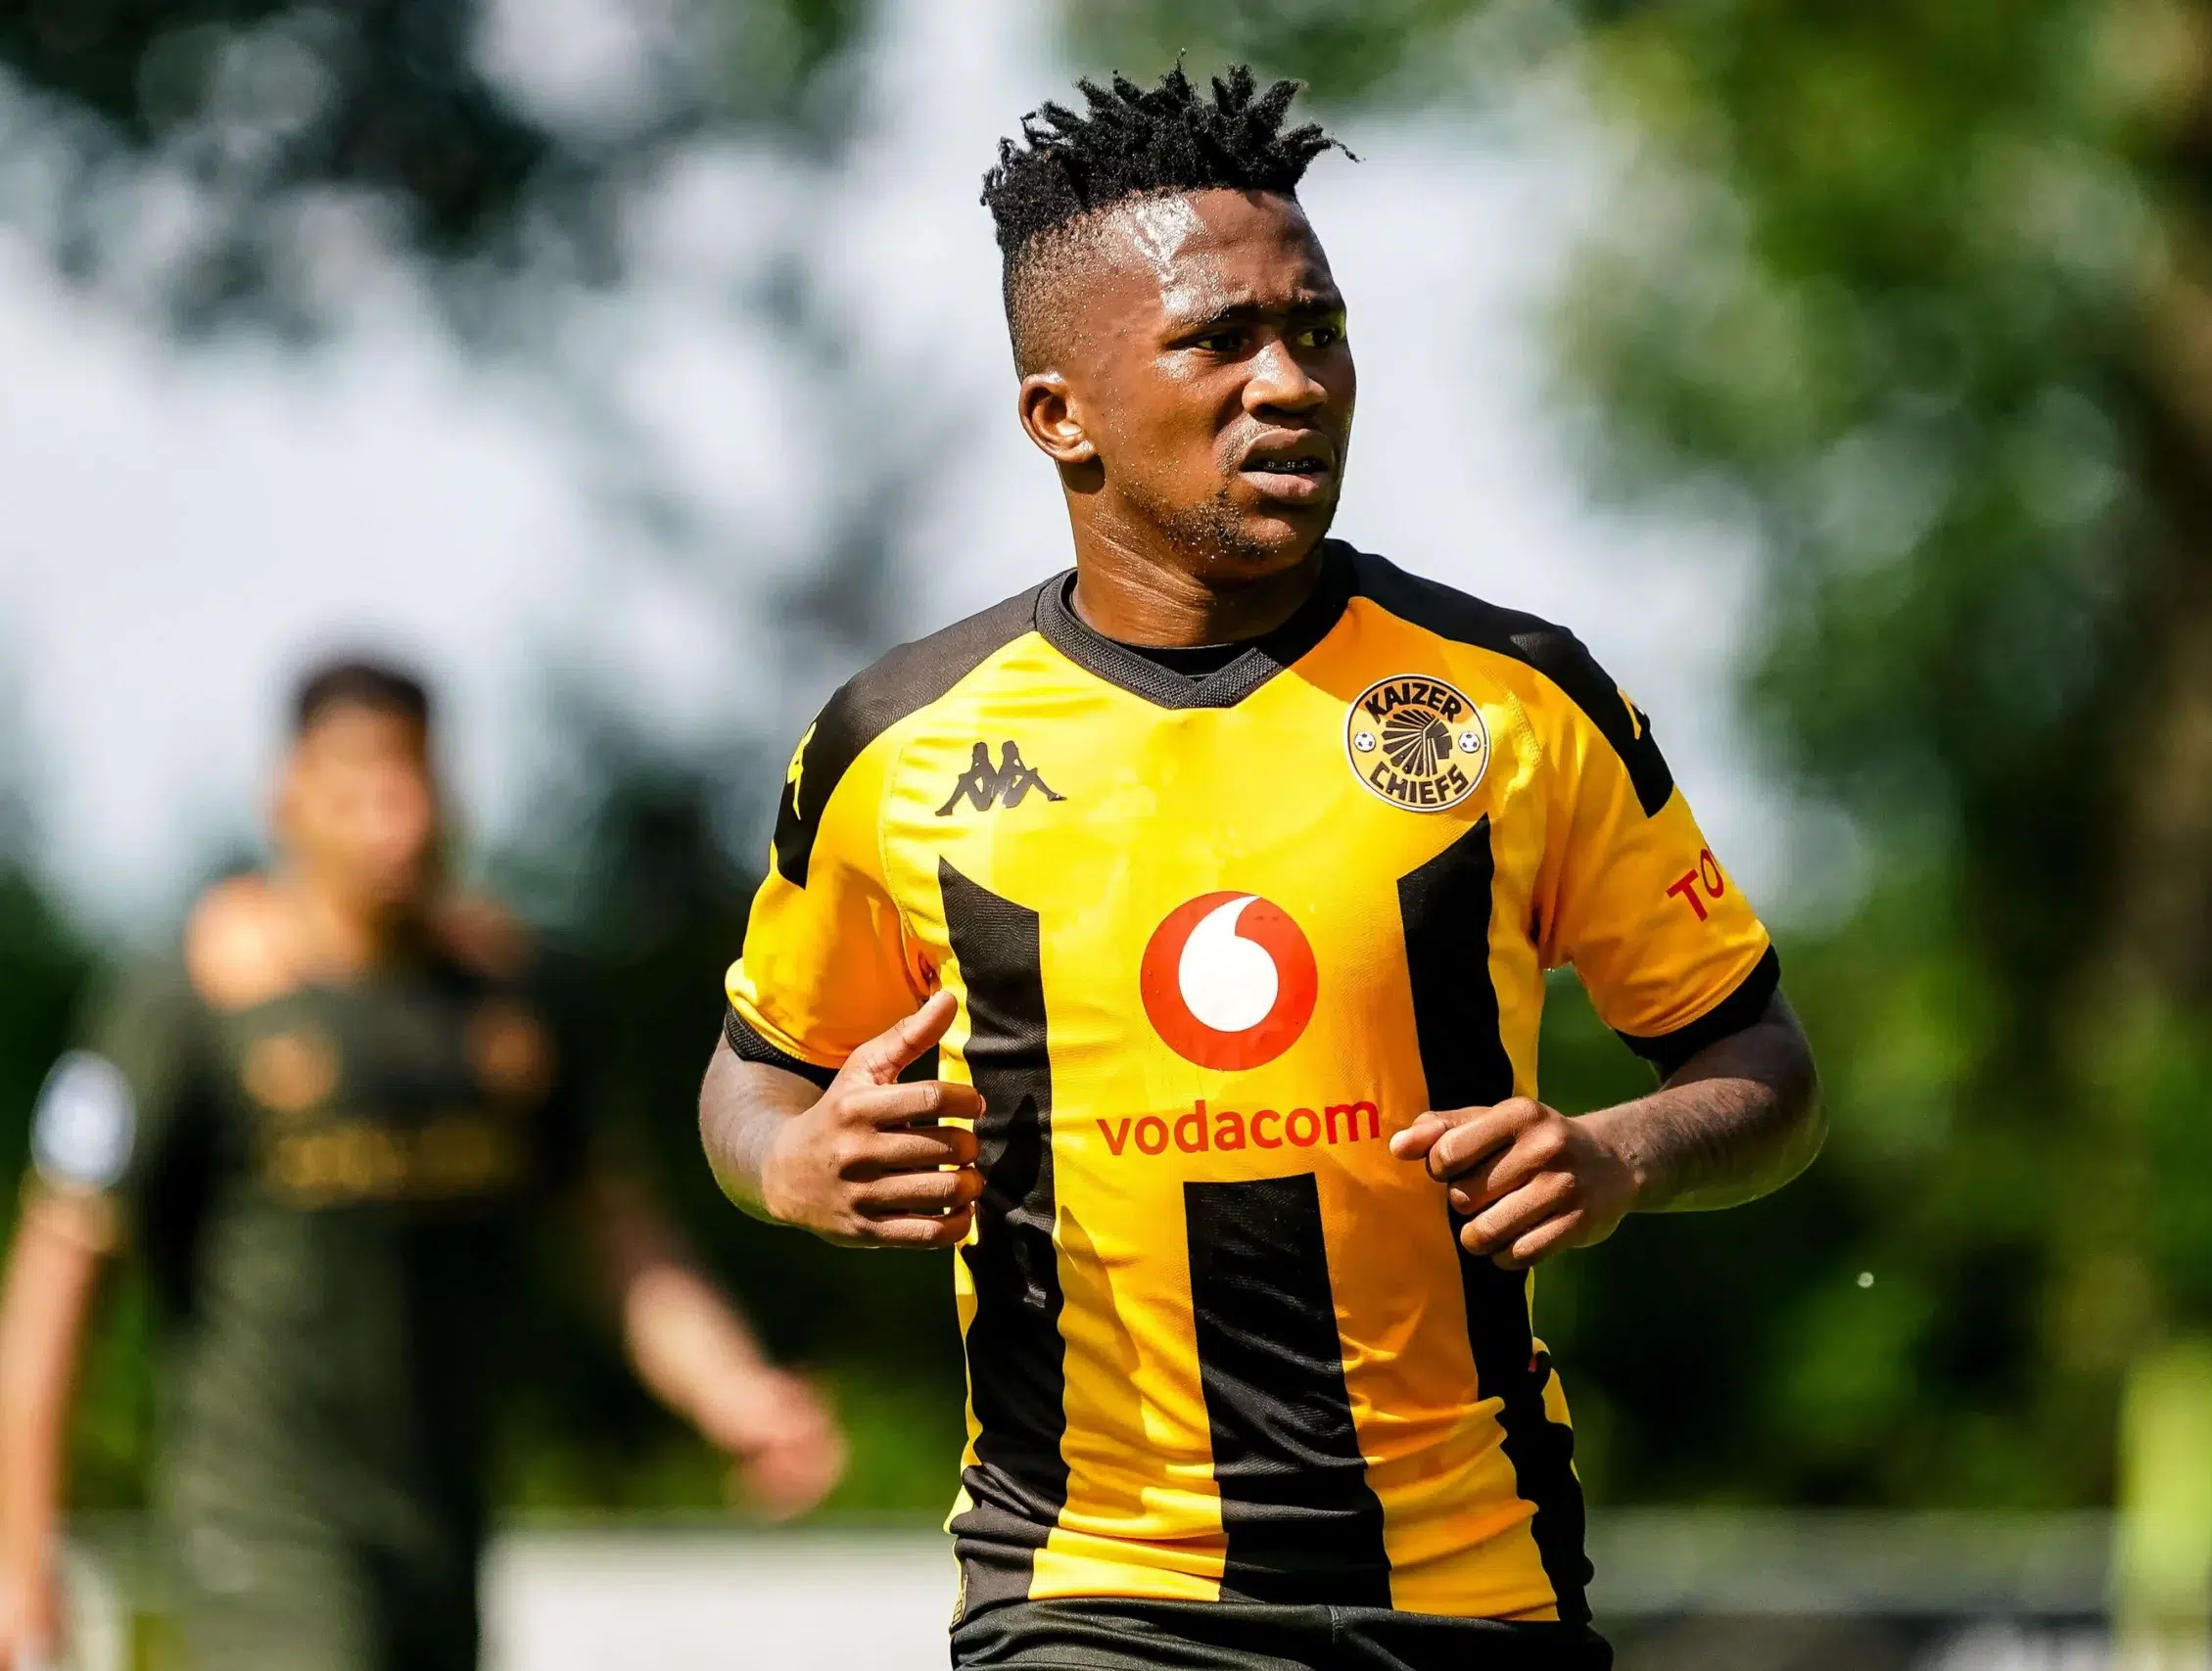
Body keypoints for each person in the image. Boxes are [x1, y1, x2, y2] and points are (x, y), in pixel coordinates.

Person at [699, 67, 1824, 1671]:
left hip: (1476, 1586)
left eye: (1318, 329)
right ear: (1057, 415)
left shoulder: (1516, 700)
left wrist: (1622, 1152)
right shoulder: (899, 742)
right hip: (1087, 1593)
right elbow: (751, 1079)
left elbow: (1760, 1058)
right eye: (1219, 340)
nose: (1290, 382)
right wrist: (794, 1165)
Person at [0, 660, 844, 1671]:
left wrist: (732, 1390)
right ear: (288, 800)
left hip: (447, 1540)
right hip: (261, 1547)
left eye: (410, 780)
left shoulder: (514, 1006)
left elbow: (618, 1234)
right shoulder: (189, 1001)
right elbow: (60, 1267)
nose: (390, 818)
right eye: (354, 788)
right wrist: (18, 1552)